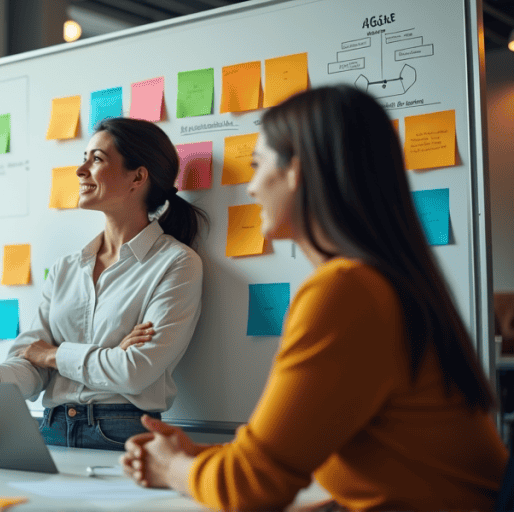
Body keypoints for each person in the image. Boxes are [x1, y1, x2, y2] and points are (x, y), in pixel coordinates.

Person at [121, 85, 507, 511]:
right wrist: (196, 457)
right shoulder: (384, 282)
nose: (250, 189)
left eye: (258, 165)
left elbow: (252, 489)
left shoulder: (346, 292)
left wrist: (170, 468)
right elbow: (305, 469)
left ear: (296, 172)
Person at [0, 117, 207, 450]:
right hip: (51, 428)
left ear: (138, 176)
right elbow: (32, 363)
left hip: (124, 435)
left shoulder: (176, 264)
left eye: (97, 159)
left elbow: (134, 372)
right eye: (84, 157)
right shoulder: (66, 268)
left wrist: (53, 355)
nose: (80, 170)